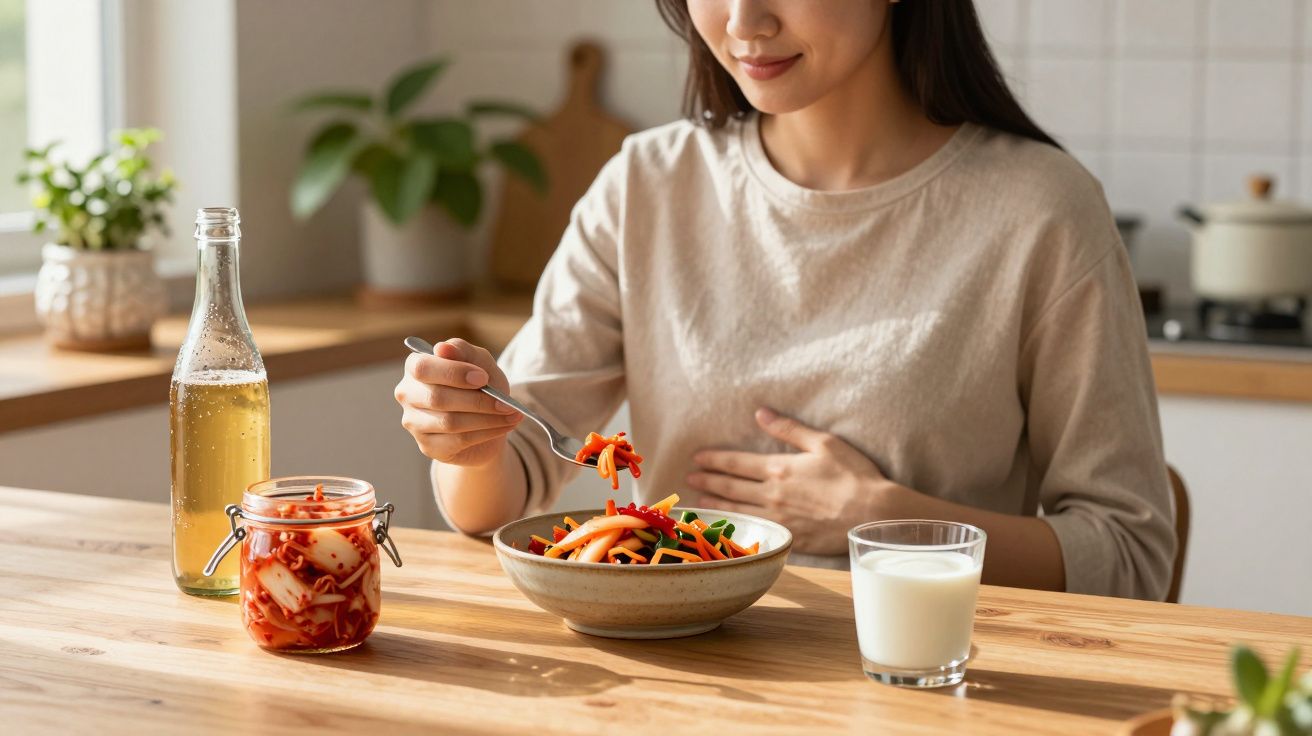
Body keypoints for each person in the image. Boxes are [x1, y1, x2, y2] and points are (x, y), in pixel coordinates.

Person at [394, 0, 1176, 600]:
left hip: (932, 693)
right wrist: (470, 440)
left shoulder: (1042, 210)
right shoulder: (646, 187)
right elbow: (499, 499)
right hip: (679, 687)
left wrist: (887, 523)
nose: (742, 22)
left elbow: (1130, 553)